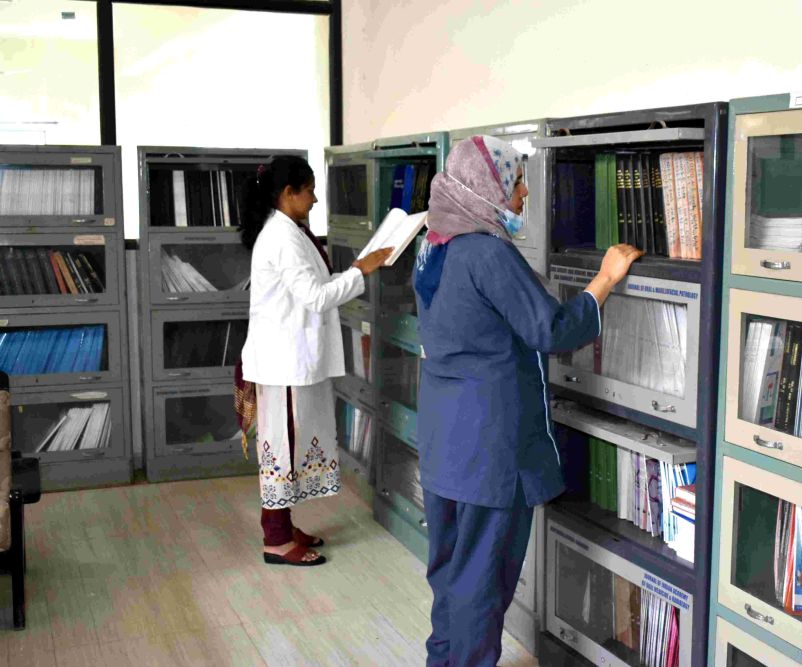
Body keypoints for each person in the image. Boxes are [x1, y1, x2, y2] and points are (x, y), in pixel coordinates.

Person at [412, 136, 642, 665]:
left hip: (444, 443)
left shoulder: (433, 245)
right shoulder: (487, 252)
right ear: (486, 187)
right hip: (489, 451)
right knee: (482, 584)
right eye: (515, 181)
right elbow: (551, 330)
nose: (524, 194)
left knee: (450, 575)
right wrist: (604, 280)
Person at [237, 155, 391, 566]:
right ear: (288, 193)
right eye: (309, 191)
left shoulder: (291, 231)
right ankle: (276, 541)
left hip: (294, 359)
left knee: (293, 445)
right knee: (283, 449)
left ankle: (284, 527)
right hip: (283, 363)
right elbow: (317, 297)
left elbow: (315, 286)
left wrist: (354, 272)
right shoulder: (282, 237)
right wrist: (360, 271)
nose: (315, 199)